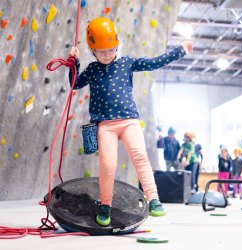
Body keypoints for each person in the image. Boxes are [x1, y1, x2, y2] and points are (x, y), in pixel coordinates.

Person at [68, 17, 193, 226]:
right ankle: (105, 205)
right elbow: (74, 84)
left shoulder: (127, 62)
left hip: (129, 122)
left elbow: (154, 63)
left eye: (111, 49)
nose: (107, 54)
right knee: (108, 165)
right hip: (105, 125)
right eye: (102, 51)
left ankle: (153, 199)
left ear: (117, 45)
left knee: (140, 157)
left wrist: (179, 51)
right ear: (93, 51)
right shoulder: (91, 69)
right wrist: (74, 64)